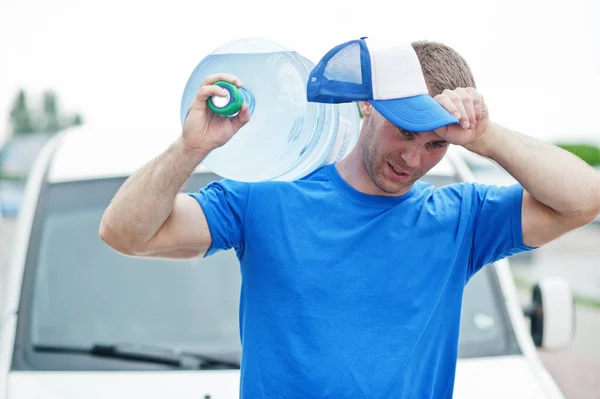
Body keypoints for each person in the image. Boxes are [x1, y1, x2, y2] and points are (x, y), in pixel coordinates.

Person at [99, 37, 600, 398]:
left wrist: (487, 137)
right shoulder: (264, 200)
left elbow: (584, 199)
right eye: (405, 130)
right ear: (366, 105)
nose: (414, 158)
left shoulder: (461, 220)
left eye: (437, 144)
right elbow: (125, 233)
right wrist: (190, 150)